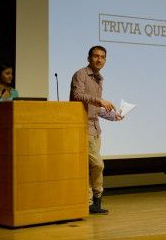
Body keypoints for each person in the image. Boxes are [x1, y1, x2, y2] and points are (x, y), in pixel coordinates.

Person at [70, 45, 122, 214]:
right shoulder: (81, 74)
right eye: (96, 56)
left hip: (95, 129)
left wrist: (113, 116)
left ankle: (93, 202)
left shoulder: (99, 79)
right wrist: (99, 101)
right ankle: (95, 197)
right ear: (89, 58)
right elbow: (77, 95)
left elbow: (95, 109)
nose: (99, 59)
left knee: (91, 166)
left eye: (102, 57)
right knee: (97, 164)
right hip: (83, 128)